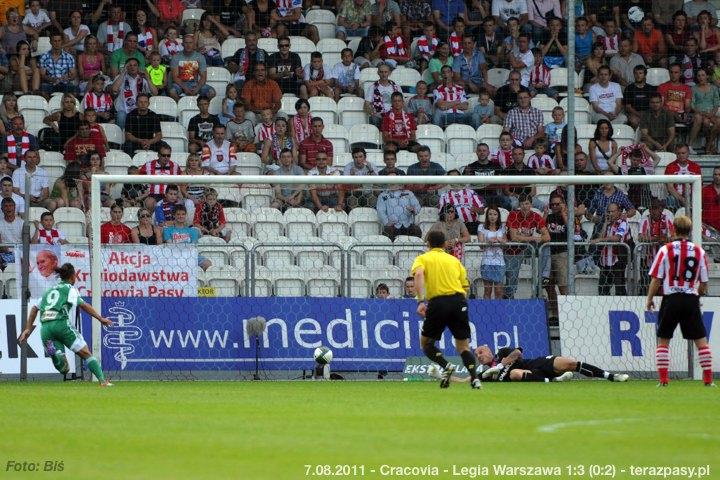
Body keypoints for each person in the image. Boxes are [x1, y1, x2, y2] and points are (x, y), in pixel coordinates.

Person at [17, 263, 113, 386]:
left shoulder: (49, 291)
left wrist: (28, 329)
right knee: (86, 353)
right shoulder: (70, 289)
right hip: (61, 325)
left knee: (64, 369)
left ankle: (55, 353)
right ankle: (102, 381)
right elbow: (83, 305)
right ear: (73, 277)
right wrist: (100, 319)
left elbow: (35, 309)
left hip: (45, 329)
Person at [647, 215, 714, 386]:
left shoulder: (666, 250)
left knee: (663, 340)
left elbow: (656, 279)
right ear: (690, 231)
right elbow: (704, 283)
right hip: (690, 299)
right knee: (701, 341)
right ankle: (708, 380)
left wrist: (649, 299)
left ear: (673, 229)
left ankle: (663, 381)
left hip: (671, 299)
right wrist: (696, 297)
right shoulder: (699, 251)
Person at [411, 229, 481, 389]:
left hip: (438, 302)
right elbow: (465, 286)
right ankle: (475, 379)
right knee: (463, 346)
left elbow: (419, 275)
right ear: (444, 244)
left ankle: (446, 366)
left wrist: (421, 301)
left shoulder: (422, 258)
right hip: (459, 300)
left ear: (427, 244)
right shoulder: (454, 261)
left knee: (426, 343)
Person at [466, 345, 629, 383]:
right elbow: (467, 380)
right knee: (515, 374)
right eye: (476, 355)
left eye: (480, 352)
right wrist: (447, 375)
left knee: (570, 363)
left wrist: (502, 364)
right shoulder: (487, 375)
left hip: (536, 364)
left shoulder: (502, 353)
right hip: (531, 376)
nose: (479, 356)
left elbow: (518, 352)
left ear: (488, 350)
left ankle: (611, 376)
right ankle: (554, 380)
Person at [505, 193, 550, 299]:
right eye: (522, 204)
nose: (525, 206)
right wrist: (532, 238)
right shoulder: (513, 215)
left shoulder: (535, 216)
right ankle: (509, 296)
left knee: (546, 246)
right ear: (519, 205)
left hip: (528, 247)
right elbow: (514, 237)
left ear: (531, 204)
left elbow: (547, 237)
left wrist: (534, 239)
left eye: (527, 203)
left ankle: (543, 277)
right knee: (512, 276)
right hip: (514, 249)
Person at [162, 205, 212, 271]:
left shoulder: (193, 231)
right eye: (178, 214)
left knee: (207, 263)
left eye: (183, 214)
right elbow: (171, 246)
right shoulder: (167, 230)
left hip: (190, 255)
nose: (181, 216)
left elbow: (192, 247)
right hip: (174, 255)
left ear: (185, 215)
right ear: (174, 215)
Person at [376, 174, 422, 240]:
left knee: (417, 231)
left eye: (394, 181)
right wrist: (387, 222)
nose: (391, 183)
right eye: (389, 181)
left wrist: (414, 209)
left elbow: (418, 207)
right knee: (387, 233)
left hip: (408, 224)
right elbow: (380, 211)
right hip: (392, 225)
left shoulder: (408, 193)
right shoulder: (383, 195)